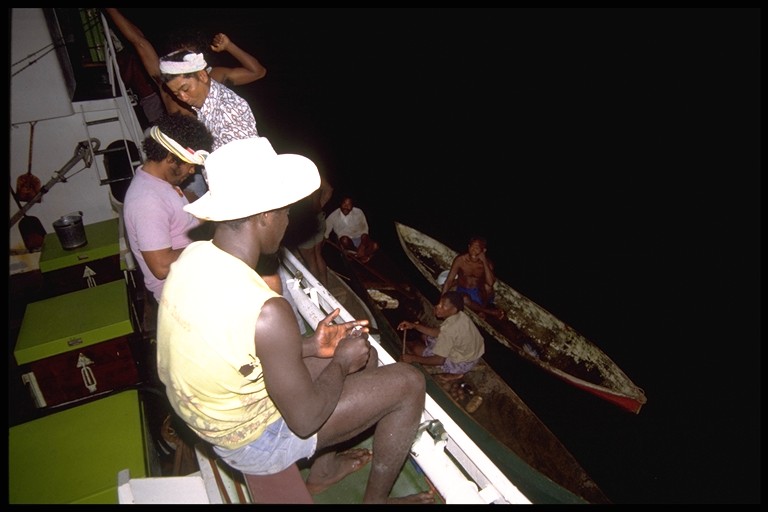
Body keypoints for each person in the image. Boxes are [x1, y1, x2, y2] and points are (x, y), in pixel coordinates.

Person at [156, 137, 433, 504]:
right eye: (285, 211)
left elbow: (233, 346)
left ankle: (324, 470)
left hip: (209, 419)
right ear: (264, 215)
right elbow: (305, 421)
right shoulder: (267, 309)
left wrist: (311, 346)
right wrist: (340, 361)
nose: (287, 220)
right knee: (408, 382)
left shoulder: (192, 258)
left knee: (348, 357)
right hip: (254, 443)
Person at [104, 8, 267, 120]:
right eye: (179, 55)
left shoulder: (214, 76)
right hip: (178, 145)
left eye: (187, 55)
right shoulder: (164, 77)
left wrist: (229, 46)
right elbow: (139, 41)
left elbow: (258, 72)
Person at [123, 112, 214, 309]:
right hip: (183, 299)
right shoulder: (146, 200)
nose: (192, 171)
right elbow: (161, 266)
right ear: (171, 158)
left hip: (195, 284)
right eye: (190, 165)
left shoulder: (160, 183)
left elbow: (182, 223)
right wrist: (214, 247)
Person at [397, 291, 486, 383]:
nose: (438, 307)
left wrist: (413, 358)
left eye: (443, 306)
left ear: (453, 310)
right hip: (472, 354)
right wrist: (414, 326)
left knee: (416, 349)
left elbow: (439, 360)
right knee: (424, 336)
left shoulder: (450, 329)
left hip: (462, 363)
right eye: (439, 304)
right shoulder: (460, 316)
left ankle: (456, 373)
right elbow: (439, 333)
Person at [440, 235, 505, 320]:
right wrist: (442, 301)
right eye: (472, 247)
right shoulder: (460, 260)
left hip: (478, 292)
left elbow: (490, 283)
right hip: (463, 290)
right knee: (464, 299)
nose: (473, 251)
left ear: (483, 250)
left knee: (488, 288)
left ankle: (481, 309)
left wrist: (484, 260)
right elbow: (449, 280)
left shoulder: (487, 263)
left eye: (477, 248)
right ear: (468, 247)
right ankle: (488, 311)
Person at [292, 176, 333, 286]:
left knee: (311, 261)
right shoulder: (313, 173)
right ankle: (325, 287)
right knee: (318, 255)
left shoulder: (294, 178)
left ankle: (319, 291)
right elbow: (329, 190)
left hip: (304, 223)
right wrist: (319, 206)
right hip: (318, 218)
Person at [324, 196, 379, 263]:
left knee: (375, 246)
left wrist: (362, 246)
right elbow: (325, 233)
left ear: (352, 206)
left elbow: (365, 231)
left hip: (360, 240)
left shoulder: (358, 212)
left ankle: (357, 255)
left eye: (349, 204)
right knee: (344, 240)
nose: (346, 206)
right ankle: (361, 255)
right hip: (347, 244)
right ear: (340, 204)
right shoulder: (333, 216)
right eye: (344, 203)